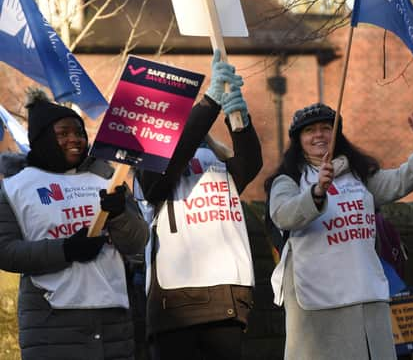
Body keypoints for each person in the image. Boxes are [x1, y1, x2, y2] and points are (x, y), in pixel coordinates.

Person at [266, 103, 413, 360]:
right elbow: (283, 215)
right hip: (317, 298)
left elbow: (397, 182)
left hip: (365, 292)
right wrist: (316, 192)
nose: (319, 135)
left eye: (326, 128)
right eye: (309, 131)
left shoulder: (359, 175)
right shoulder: (289, 180)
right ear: (298, 141)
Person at [0, 89, 149, 360]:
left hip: (112, 326)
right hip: (51, 326)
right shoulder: (14, 188)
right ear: (43, 139)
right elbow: (6, 252)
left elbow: (137, 243)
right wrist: (67, 250)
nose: (75, 139)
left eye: (79, 132)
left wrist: (120, 215)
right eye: (63, 133)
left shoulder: (108, 180)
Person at [136, 49, 262, 360]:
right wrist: (209, 103)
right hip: (176, 306)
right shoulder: (148, 163)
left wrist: (241, 124)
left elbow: (248, 166)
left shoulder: (213, 160)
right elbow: (164, 171)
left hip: (226, 300)